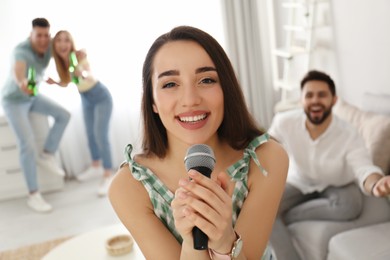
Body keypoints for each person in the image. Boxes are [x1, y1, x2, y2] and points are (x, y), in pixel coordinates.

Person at [108, 25, 288, 260]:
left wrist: (226, 241)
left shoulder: (266, 159)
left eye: (206, 80)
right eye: (170, 84)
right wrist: (194, 243)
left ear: (226, 89)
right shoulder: (129, 187)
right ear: (152, 101)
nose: (190, 100)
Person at [268, 70, 390, 260]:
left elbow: (364, 169)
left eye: (322, 95)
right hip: (299, 180)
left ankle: (285, 215)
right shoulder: (284, 123)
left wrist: (377, 184)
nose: (315, 100)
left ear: (333, 100)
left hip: (339, 184)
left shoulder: (349, 134)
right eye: (309, 95)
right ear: (301, 100)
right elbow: (265, 151)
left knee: (350, 206)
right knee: (264, 207)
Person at [1, 18, 71, 213]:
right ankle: (33, 195)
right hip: (14, 100)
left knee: (64, 115)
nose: (42, 40)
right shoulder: (21, 51)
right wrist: (22, 82)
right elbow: (19, 72)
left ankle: (47, 154)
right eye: (38, 35)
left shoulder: (49, 46)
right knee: (27, 143)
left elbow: (65, 52)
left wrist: (75, 56)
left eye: (46, 35)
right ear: (31, 34)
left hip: (32, 97)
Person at [49, 30, 113, 196]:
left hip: (100, 96)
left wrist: (82, 73)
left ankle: (107, 174)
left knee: (101, 135)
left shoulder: (79, 55)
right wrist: (55, 82)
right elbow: (66, 82)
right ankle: (96, 166)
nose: (63, 44)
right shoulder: (62, 63)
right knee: (90, 134)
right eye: (59, 41)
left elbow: (90, 76)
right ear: (54, 45)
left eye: (66, 40)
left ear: (71, 43)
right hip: (85, 98)